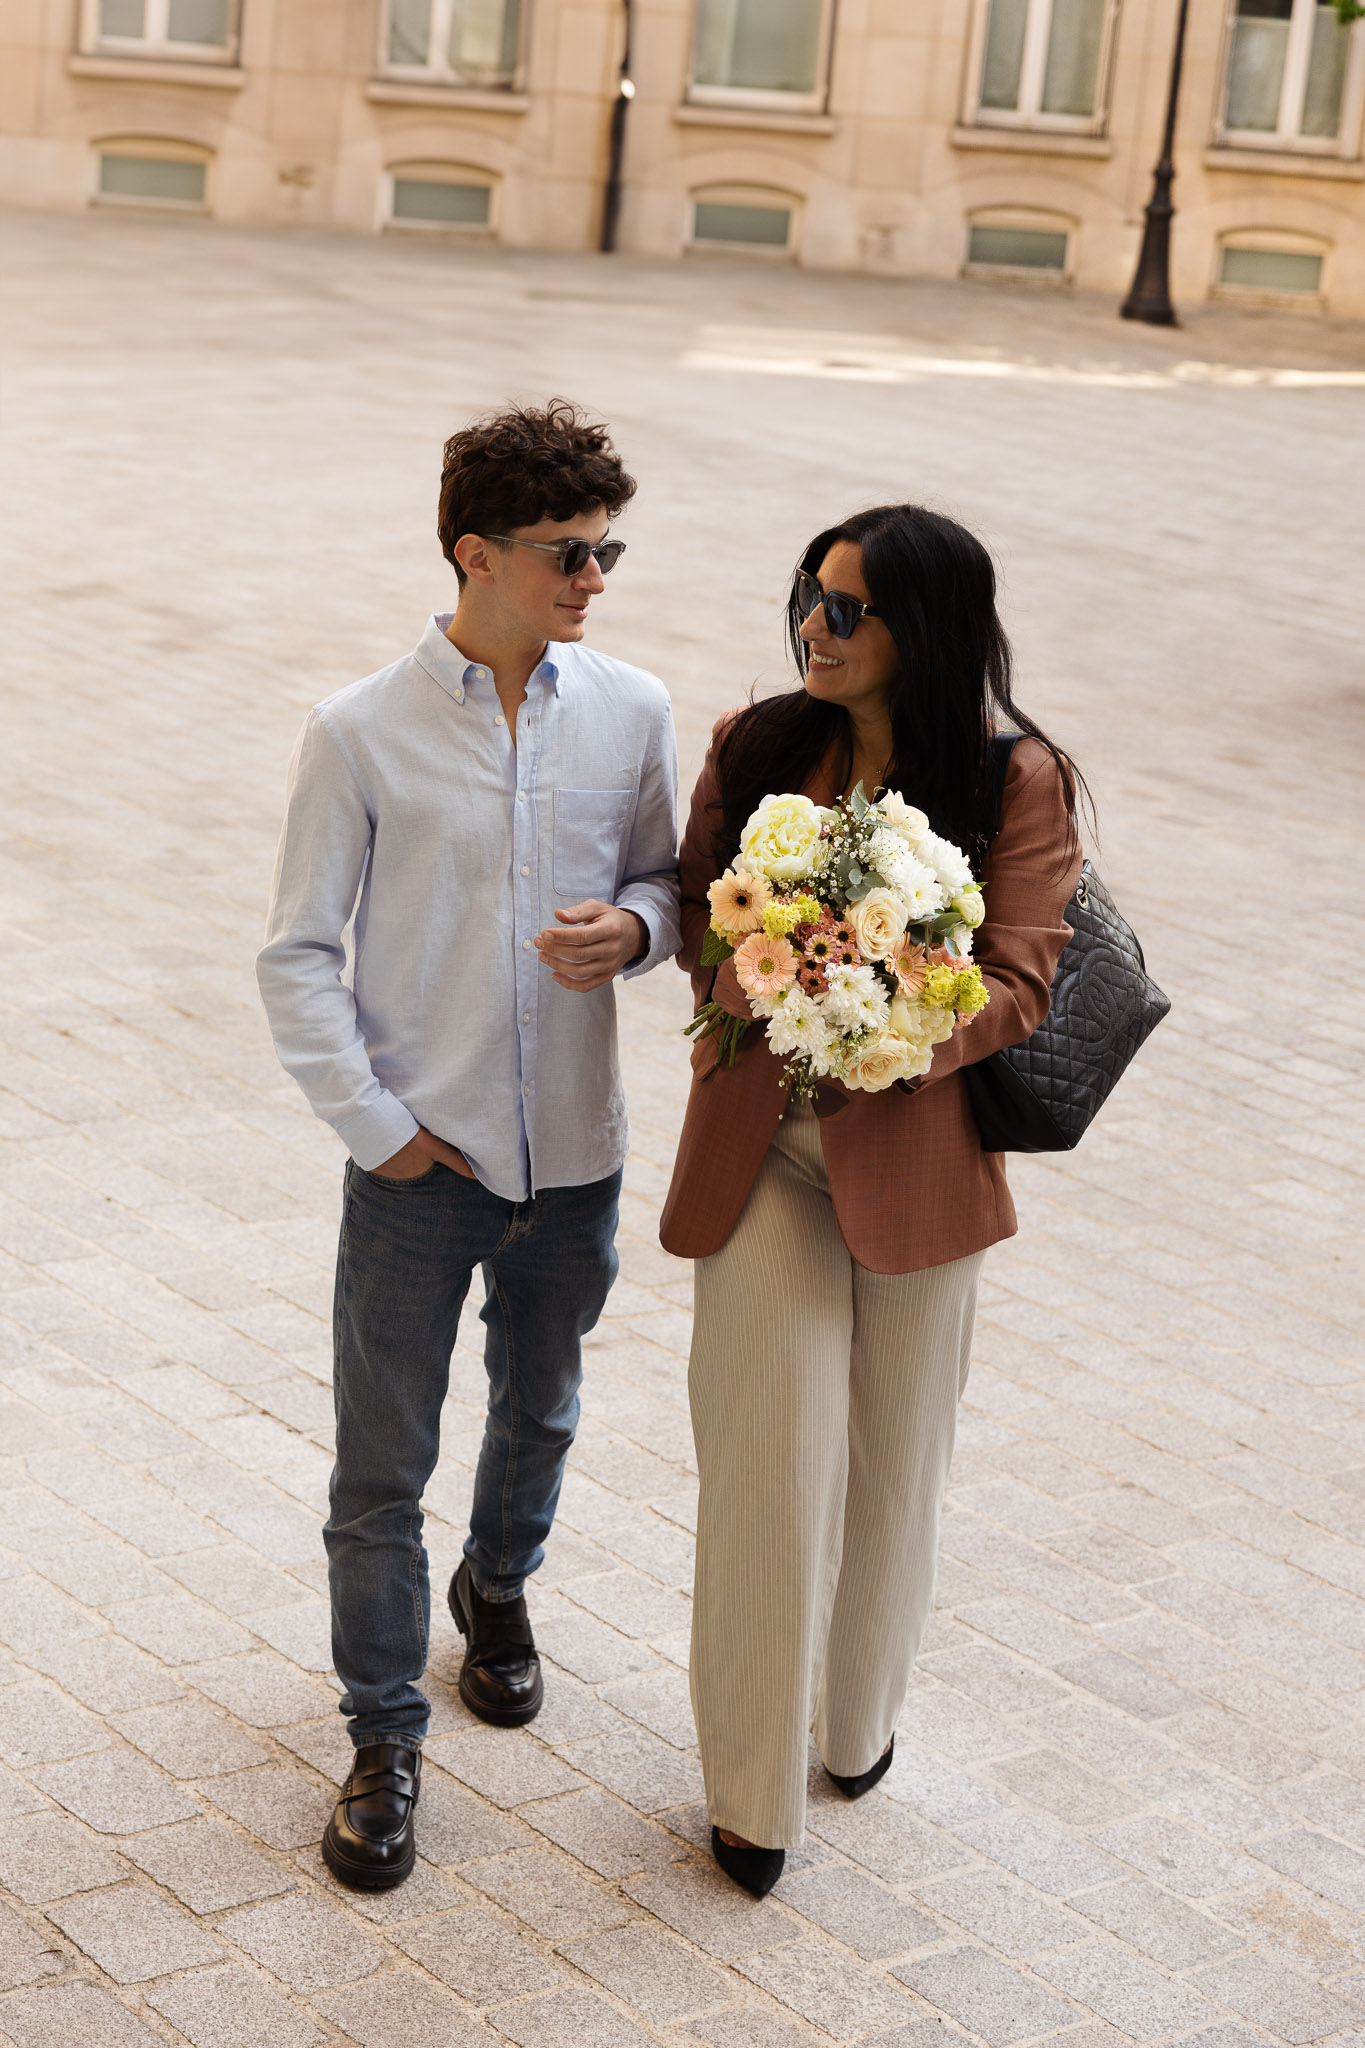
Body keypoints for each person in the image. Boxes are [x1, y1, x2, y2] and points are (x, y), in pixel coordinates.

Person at [257, 400, 681, 1889]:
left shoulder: (631, 709)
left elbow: (668, 881)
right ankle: (382, 1735)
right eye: (570, 553)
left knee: (543, 1409)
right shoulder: (357, 731)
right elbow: (298, 956)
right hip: (416, 1169)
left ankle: (497, 1588)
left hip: (575, 1151)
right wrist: (377, 1132)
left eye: (606, 549)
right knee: (379, 1467)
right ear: (474, 553)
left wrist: (636, 928)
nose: (594, 578)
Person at [659, 504, 1084, 1896]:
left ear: (925, 630)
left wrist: (878, 1018)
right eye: (807, 598)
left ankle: (855, 1730)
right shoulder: (757, 741)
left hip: (916, 1167)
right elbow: (699, 916)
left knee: (896, 1471)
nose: (812, 628)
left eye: (848, 610)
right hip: (759, 1157)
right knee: (767, 1474)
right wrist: (767, 962)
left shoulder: (1015, 779)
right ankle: (748, 1797)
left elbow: (1019, 975)